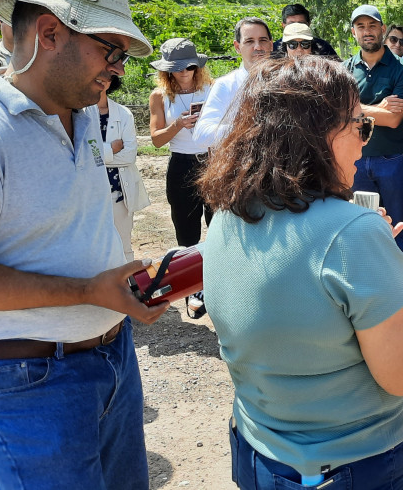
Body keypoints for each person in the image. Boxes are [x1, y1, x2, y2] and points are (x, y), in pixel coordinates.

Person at [198, 55, 403, 489]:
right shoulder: (351, 234)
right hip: (344, 468)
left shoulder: (228, 213)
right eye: (360, 126)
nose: (365, 142)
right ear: (317, 136)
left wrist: (368, 259)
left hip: (255, 451)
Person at [0, 0, 168, 489]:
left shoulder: (83, 114)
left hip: (112, 358)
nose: (118, 70)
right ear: (50, 34)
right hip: (28, 381)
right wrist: (88, 290)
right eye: (111, 51)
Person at [343, 5, 403, 286]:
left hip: (392, 159)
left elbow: (393, 119)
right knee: (364, 225)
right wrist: (376, 108)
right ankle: (371, 287)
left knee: (399, 223)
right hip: (357, 161)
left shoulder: (402, 69)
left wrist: (355, 108)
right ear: (354, 32)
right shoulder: (345, 69)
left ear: (382, 29)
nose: (367, 31)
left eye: (372, 26)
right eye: (361, 27)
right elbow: (340, 113)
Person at [148, 37, 214, 317]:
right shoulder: (159, 96)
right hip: (181, 165)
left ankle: (218, 284)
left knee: (220, 225)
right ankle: (194, 288)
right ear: (166, 70)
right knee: (186, 233)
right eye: (176, 68)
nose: (184, 72)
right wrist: (178, 124)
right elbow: (156, 140)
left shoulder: (213, 89)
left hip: (213, 162)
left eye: (189, 66)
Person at [194, 17, 273, 148]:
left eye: (263, 40)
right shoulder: (226, 85)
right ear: (237, 47)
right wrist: (249, 129)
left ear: (271, 44)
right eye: (249, 41)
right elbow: (201, 135)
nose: (258, 47)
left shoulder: (285, 82)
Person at [97, 75, 150, 263]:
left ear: (111, 81)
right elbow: (79, 154)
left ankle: (128, 288)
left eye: (104, 76)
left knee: (123, 245)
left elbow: (129, 156)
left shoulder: (123, 114)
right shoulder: (76, 113)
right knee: (94, 247)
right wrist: (110, 148)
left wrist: (97, 155)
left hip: (118, 191)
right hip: (89, 193)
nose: (100, 79)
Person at [271, 3, 338, 57]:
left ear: (309, 24)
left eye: (301, 23)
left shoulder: (324, 48)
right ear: (283, 25)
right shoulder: (272, 50)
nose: (297, 26)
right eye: (292, 45)